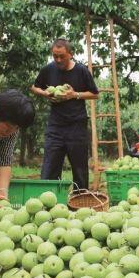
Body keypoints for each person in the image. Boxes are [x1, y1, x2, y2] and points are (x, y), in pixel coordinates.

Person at [30, 38, 99, 191]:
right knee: (49, 168)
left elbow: (95, 94)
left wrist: (74, 95)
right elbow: (34, 87)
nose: (58, 60)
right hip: (55, 126)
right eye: (55, 56)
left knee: (80, 170)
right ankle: (48, 201)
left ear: (70, 54)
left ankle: (80, 202)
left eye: (62, 56)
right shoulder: (48, 69)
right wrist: (45, 93)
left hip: (77, 126)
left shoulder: (81, 70)